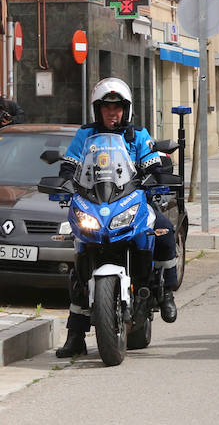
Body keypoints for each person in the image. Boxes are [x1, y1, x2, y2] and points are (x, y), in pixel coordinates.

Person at [55, 78, 179, 358]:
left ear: (127, 109)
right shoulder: (84, 136)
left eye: (118, 107)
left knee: (164, 229)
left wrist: (158, 175)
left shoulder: (137, 135)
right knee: (80, 263)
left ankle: (167, 291)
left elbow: (152, 161)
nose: (113, 113)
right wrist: (62, 181)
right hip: (96, 203)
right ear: (97, 110)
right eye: (107, 107)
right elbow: (70, 165)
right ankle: (75, 336)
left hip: (132, 201)